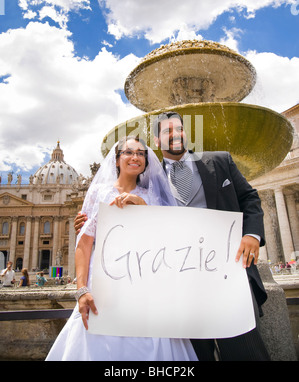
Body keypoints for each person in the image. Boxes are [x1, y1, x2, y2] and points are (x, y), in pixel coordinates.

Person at [74, 112, 270, 360]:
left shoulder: (220, 161)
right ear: (156, 141)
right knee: (197, 356)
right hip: (177, 283)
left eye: (179, 129)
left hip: (227, 272)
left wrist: (252, 234)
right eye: (167, 131)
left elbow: (249, 198)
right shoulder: (148, 180)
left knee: (245, 351)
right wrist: (90, 221)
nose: (175, 134)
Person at [46, 135, 197, 361]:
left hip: (145, 283)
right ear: (116, 160)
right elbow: (84, 243)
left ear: (146, 161)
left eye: (140, 153)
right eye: (128, 152)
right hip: (102, 281)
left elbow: (167, 240)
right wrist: (81, 289)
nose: (135, 157)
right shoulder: (98, 192)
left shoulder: (153, 196)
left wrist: (143, 207)